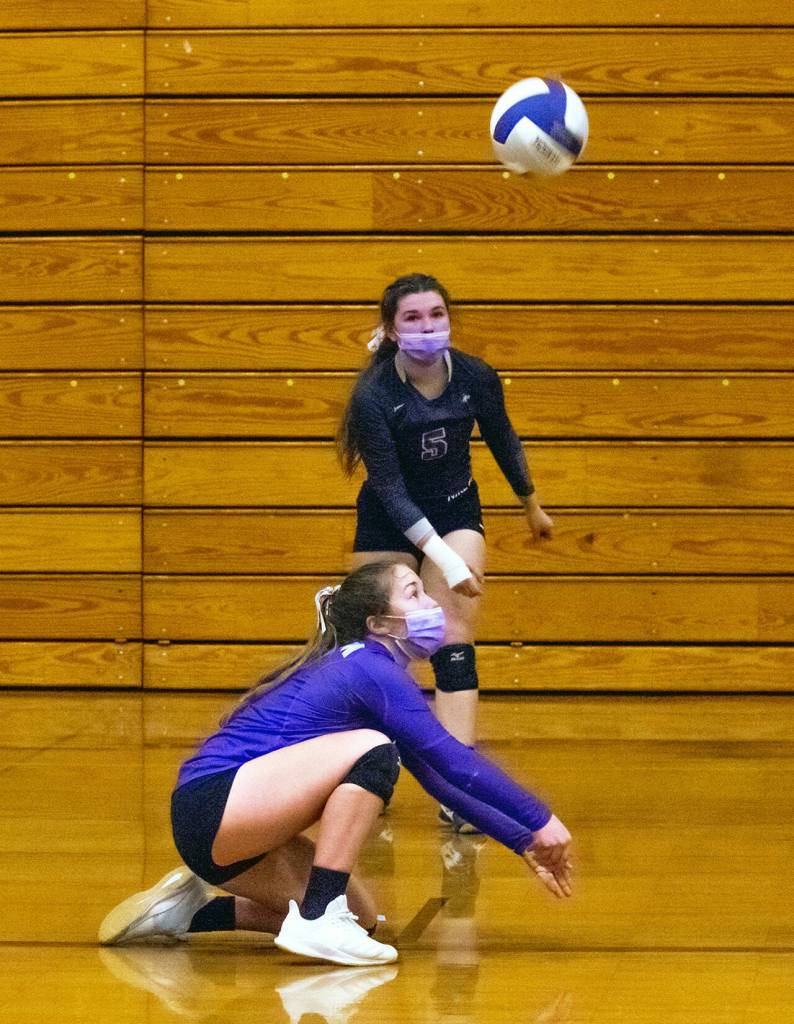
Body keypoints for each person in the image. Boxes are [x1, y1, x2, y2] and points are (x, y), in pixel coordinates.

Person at [98, 559, 572, 968]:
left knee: (363, 923)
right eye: (414, 592)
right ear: (381, 624)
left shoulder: (373, 670)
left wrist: (520, 838)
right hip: (215, 806)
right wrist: (541, 819)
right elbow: (454, 761)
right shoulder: (369, 667)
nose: (432, 602)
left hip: (226, 824)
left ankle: (188, 913)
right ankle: (321, 918)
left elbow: (439, 779)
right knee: (371, 749)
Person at [337, 273, 553, 830]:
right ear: (391, 329)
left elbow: (503, 437)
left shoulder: (475, 376)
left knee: (452, 633)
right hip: (388, 517)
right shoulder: (375, 394)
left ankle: (459, 786)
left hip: (456, 507)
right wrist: (446, 561)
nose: (427, 326)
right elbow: (387, 486)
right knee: (380, 644)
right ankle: (370, 775)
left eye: (436, 315)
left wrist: (530, 503)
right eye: (412, 318)